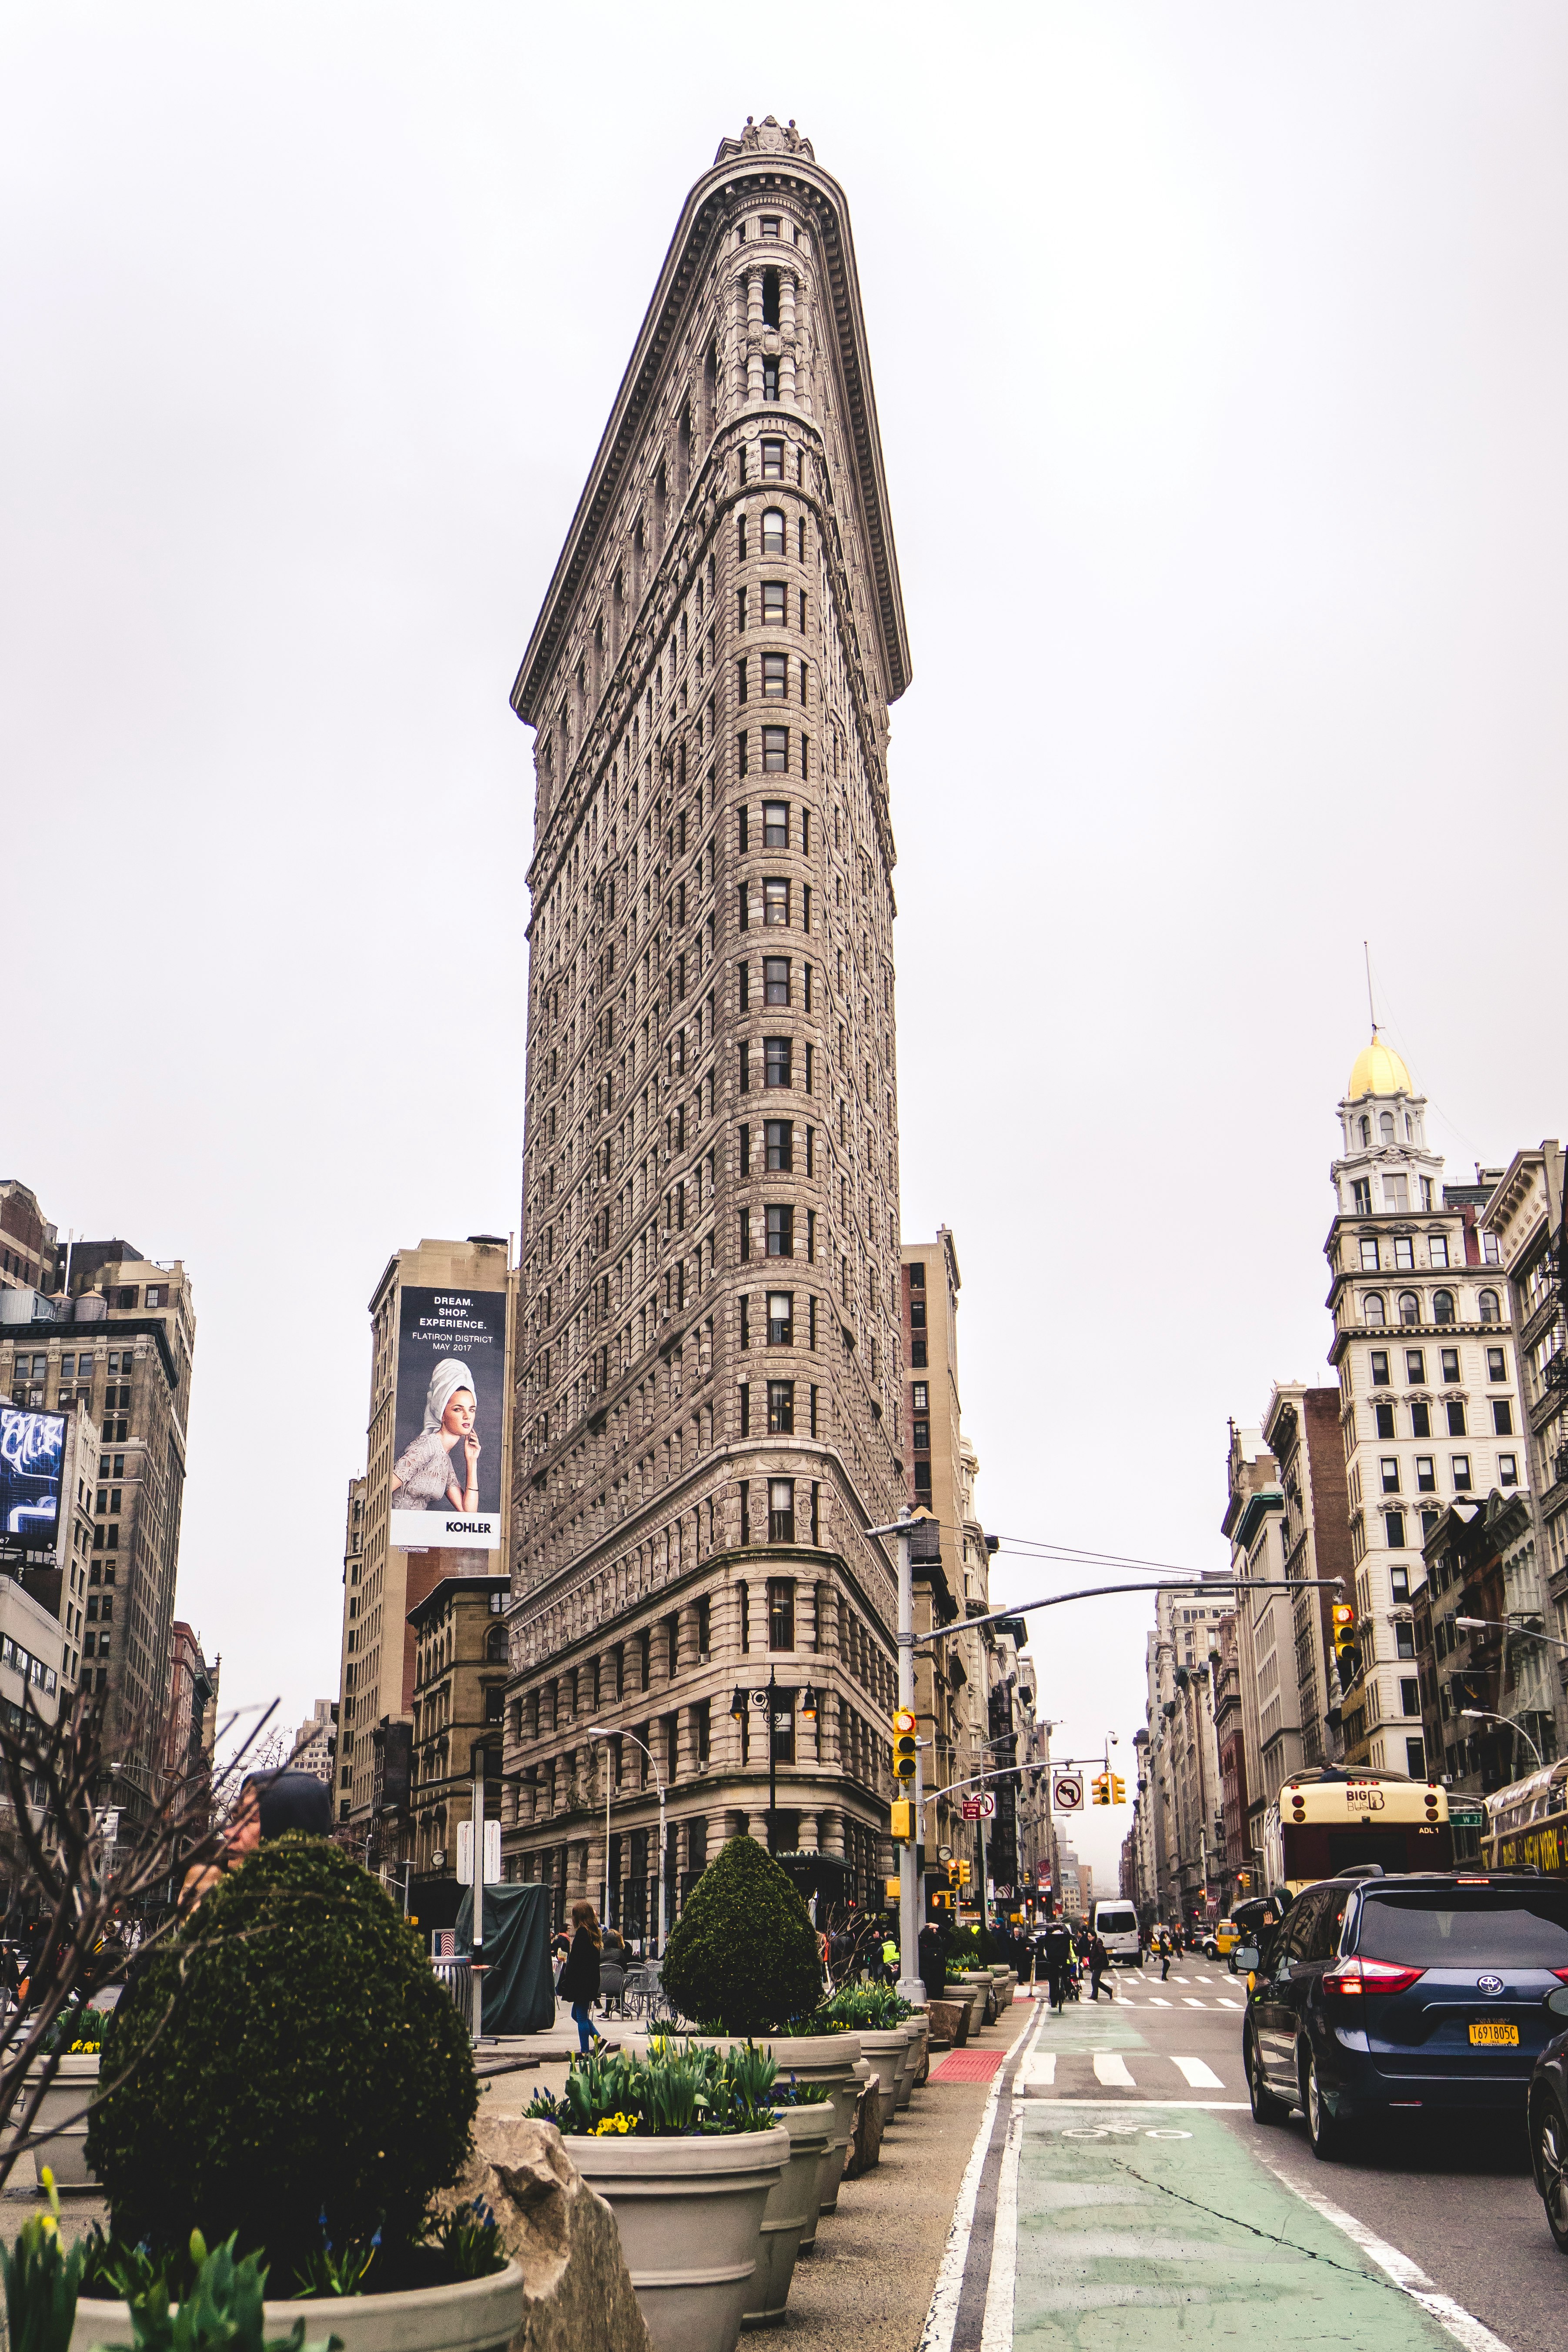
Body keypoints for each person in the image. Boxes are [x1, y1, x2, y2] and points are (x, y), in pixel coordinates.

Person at [391, 1358, 482, 1517]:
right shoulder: (427, 1446)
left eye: (472, 1410)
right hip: (395, 1535)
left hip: (415, 1536)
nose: (467, 1416)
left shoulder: (444, 1458)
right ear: (442, 1414)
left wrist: (472, 1461)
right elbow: (381, 1493)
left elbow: (469, 1513)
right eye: (458, 1409)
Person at [556, 1899, 605, 2056]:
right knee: (576, 2015)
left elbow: (577, 1959)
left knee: (581, 2017)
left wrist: (568, 1973)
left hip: (582, 1981)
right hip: (589, 1980)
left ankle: (585, 2052)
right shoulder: (593, 1933)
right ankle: (600, 2041)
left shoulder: (583, 1933)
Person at [1042, 1917, 1073, 2013]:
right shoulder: (1066, 1937)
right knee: (1066, 1977)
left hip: (1052, 1962)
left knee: (1052, 1981)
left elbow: (1046, 1950)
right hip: (1063, 1961)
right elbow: (1069, 1949)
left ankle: (1054, 2002)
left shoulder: (1049, 1937)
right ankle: (1068, 1991)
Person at [918, 1919, 947, 2008]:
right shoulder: (941, 1951)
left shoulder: (918, 1951)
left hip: (924, 1991)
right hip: (938, 1992)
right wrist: (938, 1926)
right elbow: (951, 1937)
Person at [1088, 1932, 1113, 2001]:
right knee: (1096, 1981)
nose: (1088, 1938)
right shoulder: (1093, 1944)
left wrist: (1094, 1962)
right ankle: (1109, 1990)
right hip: (1096, 1965)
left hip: (1099, 1965)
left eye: (1090, 1936)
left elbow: (1101, 1955)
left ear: (1094, 1937)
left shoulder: (1098, 1945)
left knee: (1094, 1980)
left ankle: (1095, 1996)